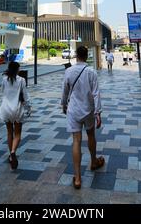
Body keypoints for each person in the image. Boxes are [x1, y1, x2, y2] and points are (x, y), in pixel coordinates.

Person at [61, 46, 105, 190]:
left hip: (73, 110)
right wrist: (98, 112)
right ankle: (93, 161)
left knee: (76, 141)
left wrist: (63, 105)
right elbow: (96, 93)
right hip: (88, 110)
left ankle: (78, 177)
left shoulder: (68, 71)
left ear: (76, 56)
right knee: (91, 135)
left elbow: (65, 91)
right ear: (86, 56)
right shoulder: (91, 71)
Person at [0, 61, 31, 169]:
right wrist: (28, 108)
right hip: (17, 109)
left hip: (6, 108)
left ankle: (10, 155)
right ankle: (13, 152)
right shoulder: (21, 80)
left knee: (9, 132)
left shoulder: (4, 79)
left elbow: (2, 91)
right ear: (17, 69)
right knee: (17, 134)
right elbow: (25, 96)